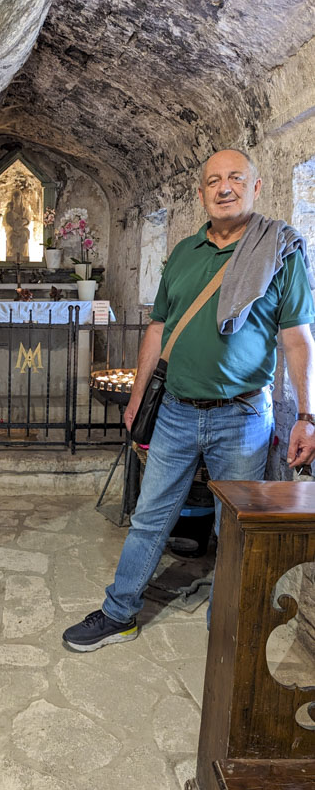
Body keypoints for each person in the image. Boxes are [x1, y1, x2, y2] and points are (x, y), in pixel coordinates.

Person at [63, 148, 315, 652]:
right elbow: (158, 327)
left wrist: (307, 415)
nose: (225, 188)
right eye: (213, 181)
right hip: (176, 411)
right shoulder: (182, 253)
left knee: (234, 527)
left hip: (241, 416)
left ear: (257, 187)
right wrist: (137, 396)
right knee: (150, 516)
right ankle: (120, 612)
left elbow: (296, 340)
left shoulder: (278, 252)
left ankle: (224, 626)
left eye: (236, 178)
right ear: (201, 193)